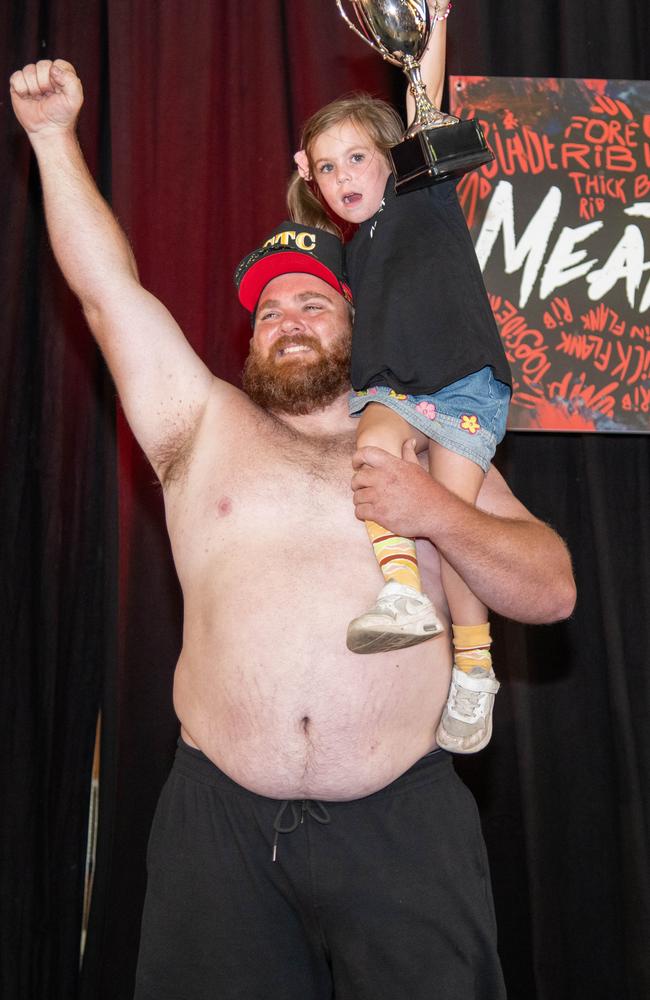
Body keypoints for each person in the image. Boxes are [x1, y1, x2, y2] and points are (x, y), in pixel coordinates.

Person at [10, 58, 576, 1000]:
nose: (289, 320)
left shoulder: (434, 438)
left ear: (362, 318)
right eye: (270, 309)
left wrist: (436, 514)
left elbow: (551, 587)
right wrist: (51, 137)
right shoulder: (202, 426)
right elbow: (109, 296)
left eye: (314, 300)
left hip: (406, 824)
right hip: (218, 830)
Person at [288, 1, 512, 754]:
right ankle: (401, 593)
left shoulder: (422, 195)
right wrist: (306, 173)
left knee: (456, 531)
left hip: (464, 384)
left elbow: (426, 94)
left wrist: (434, 25)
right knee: (373, 445)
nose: (342, 175)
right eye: (326, 167)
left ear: (393, 157)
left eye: (356, 157)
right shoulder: (352, 250)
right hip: (396, 390)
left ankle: (474, 671)